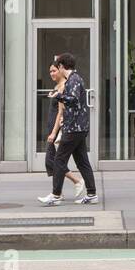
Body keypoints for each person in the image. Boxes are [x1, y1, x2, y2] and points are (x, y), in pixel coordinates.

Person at [38, 53, 98, 206]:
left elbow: (74, 99)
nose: (57, 69)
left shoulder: (74, 80)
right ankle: (91, 194)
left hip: (74, 128)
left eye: (57, 67)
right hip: (78, 127)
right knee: (82, 161)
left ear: (62, 66)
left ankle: (56, 195)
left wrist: (58, 96)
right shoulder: (74, 79)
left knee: (58, 160)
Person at [44, 62, 85, 199]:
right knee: (55, 161)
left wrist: (54, 132)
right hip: (53, 127)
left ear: (61, 70)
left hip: (58, 128)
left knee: (53, 161)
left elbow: (60, 112)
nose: (52, 74)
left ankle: (76, 182)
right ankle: (58, 192)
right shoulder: (57, 87)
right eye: (50, 71)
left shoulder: (63, 87)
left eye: (54, 70)